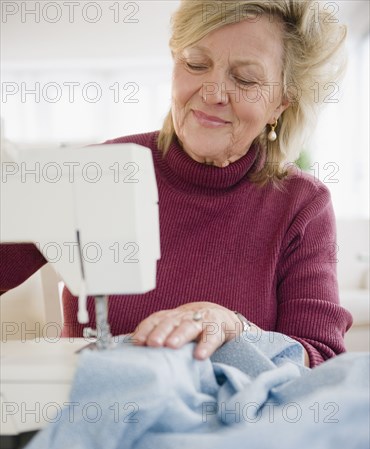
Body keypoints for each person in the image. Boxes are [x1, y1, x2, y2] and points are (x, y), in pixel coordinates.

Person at [0, 0, 352, 368]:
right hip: (104, 410)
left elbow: (322, 360)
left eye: (245, 79)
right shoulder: (98, 170)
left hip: (235, 420)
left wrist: (236, 329)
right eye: (196, 64)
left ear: (281, 103)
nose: (213, 92)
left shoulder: (300, 204)